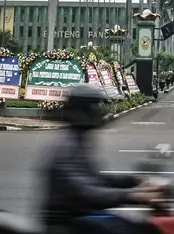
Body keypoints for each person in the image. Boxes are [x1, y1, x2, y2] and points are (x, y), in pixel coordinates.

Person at [38, 84, 166, 233]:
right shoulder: (65, 146)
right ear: (82, 111)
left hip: (83, 215)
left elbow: (96, 180)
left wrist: (135, 180)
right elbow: (86, 192)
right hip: (69, 223)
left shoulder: (77, 138)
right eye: (94, 107)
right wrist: (133, 195)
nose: (98, 112)